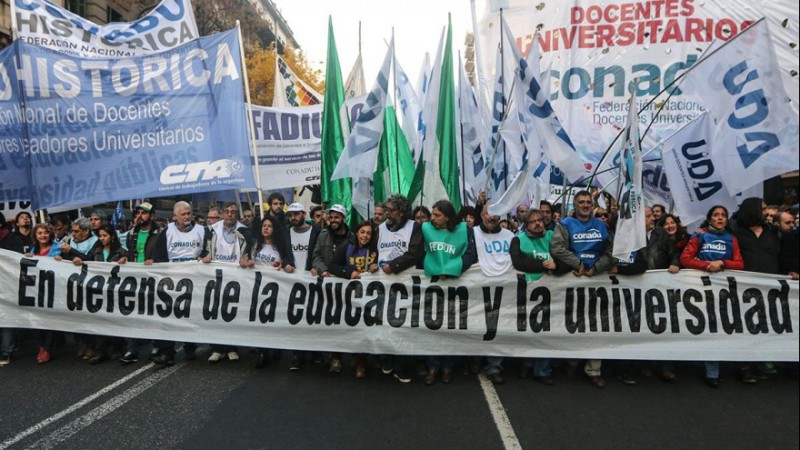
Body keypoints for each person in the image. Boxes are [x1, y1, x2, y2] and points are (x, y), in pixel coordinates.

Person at [551, 190, 614, 388]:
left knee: (597, 326)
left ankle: (594, 370)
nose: (585, 205)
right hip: (574, 279)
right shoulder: (565, 225)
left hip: (597, 280)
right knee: (573, 323)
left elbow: (612, 251)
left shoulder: (602, 226)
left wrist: (596, 268)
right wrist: (578, 264)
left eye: (588, 202)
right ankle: (571, 360)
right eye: (581, 202)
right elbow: (557, 248)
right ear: (575, 205)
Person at [680, 205, 744, 388]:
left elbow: (740, 263)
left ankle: (716, 369)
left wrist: (722, 263)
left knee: (719, 327)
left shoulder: (732, 239)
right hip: (700, 289)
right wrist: (707, 266)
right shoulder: (699, 236)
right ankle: (711, 372)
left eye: (723, 215)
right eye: (716, 215)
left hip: (724, 291)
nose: (720, 218)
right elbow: (686, 259)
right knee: (707, 328)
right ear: (710, 219)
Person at [421, 200, 477, 385]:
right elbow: (420, 253)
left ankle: (447, 366)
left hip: (455, 284)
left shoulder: (464, 230)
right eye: (432, 214)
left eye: (437, 215)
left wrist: (453, 268)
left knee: (450, 326)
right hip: (434, 285)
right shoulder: (425, 229)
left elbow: (470, 254)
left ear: (448, 217)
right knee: (433, 325)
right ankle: (432, 366)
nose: (433, 218)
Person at [150, 201, 211, 366]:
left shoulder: (202, 230)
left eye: (188, 213)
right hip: (172, 280)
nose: (187, 217)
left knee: (189, 314)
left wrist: (203, 257)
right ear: (175, 216)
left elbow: (208, 250)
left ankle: (190, 347)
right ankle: (167, 353)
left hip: (195, 280)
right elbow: (159, 256)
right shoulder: (167, 232)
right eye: (183, 214)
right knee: (169, 315)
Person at [377, 194, 425, 383]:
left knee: (404, 326)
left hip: (406, 285)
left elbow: (415, 253)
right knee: (385, 324)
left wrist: (394, 265)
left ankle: (401, 366)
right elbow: (375, 250)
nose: (387, 213)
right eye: (386, 209)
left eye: (391, 210)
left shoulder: (415, 227)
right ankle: (386, 359)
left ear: (403, 212)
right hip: (383, 286)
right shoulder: (380, 228)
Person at [733, 197, 781, 383]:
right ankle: (744, 367)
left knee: (765, 327)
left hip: (770, 289)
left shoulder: (772, 232)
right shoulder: (737, 231)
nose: (766, 212)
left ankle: (760, 362)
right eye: (762, 209)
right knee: (745, 327)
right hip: (744, 289)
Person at [241, 215, 295, 368]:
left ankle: (275, 345)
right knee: (259, 320)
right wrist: (246, 262)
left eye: (269, 226)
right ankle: (261, 350)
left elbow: (288, 262)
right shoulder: (254, 244)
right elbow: (242, 260)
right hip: (255, 288)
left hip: (274, 290)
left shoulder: (281, 246)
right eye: (264, 225)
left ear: (274, 229)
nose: (265, 228)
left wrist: (286, 266)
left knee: (272, 319)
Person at [510, 209, 557, 384]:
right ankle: (526, 364)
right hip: (528, 292)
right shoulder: (518, 240)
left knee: (547, 332)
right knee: (529, 331)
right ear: (526, 225)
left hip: (553, 292)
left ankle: (542, 370)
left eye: (540, 220)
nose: (538, 223)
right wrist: (544, 265)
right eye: (533, 221)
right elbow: (519, 262)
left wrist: (556, 264)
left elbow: (562, 255)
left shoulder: (552, 236)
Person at [329, 220, 378, 378]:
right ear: (357, 233)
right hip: (347, 295)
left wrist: (375, 266)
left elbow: (381, 265)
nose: (365, 236)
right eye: (362, 232)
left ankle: (360, 361)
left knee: (362, 328)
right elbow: (333, 266)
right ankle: (337, 358)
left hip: (366, 296)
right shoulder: (346, 246)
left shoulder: (375, 249)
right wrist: (348, 273)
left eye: (368, 233)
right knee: (343, 326)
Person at [72, 223, 127, 364]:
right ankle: (100, 350)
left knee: (116, 320)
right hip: (98, 290)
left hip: (115, 291)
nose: (102, 238)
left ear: (112, 236)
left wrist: (125, 262)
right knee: (100, 319)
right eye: (100, 236)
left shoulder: (121, 251)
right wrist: (79, 260)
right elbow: (87, 261)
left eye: (104, 236)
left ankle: (117, 348)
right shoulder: (96, 250)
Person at [202, 202, 250, 363]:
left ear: (237, 215)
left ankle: (231, 347)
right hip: (215, 277)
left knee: (231, 312)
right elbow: (205, 250)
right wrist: (206, 256)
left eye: (233, 212)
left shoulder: (244, 231)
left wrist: (246, 258)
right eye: (227, 211)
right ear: (222, 214)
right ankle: (216, 348)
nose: (230, 214)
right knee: (215, 312)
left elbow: (249, 250)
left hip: (236, 278)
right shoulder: (212, 230)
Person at [474, 205, 516, 385]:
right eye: (487, 214)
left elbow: (517, 259)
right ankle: (474, 359)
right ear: (481, 215)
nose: (491, 217)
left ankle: (494, 366)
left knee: (497, 328)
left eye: (495, 214)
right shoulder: (472, 233)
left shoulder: (510, 236)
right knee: (476, 326)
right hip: (476, 289)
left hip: (503, 291)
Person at [310, 204, 352, 373]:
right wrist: (322, 269)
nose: (333, 221)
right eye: (331, 217)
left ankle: (337, 357)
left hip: (344, 285)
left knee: (341, 321)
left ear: (343, 218)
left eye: (337, 217)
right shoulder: (323, 234)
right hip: (325, 284)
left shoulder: (352, 236)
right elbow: (316, 256)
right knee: (325, 319)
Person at [119, 202, 161, 365]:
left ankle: (156, 346)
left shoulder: (160, 233)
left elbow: (165, 254)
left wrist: (155, 261)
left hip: (153, 277)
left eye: (144, 213)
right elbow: (127, 251)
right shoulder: (132, 233)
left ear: (152, 216)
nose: (139, 216)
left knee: (153, 312)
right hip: (134, 277)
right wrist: (124, 257)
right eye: (138, 213)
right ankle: (132, 348)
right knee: (132, 312)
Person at [25, 223, 62, 363]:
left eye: (45, 233)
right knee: (35, 320)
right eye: (39, 233)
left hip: (53, 290)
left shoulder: (57, 249)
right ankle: (41, 345)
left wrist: (60, 259)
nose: (43, 236)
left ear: (50, 234)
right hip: (36, 290)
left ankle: (46, 348)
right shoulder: (33, 250)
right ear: (35, 235)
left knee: (50, 320)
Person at [0, 212, 25, 366]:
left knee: (6, 318)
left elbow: (17, 260)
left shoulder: (14, 239)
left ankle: (5, 352)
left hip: (8, 285)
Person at [286, 203, 320, 272]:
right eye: (290, 215)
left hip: (310, 277)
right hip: (291, 277)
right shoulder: (286, 232)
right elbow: (284, 255)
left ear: (304, 214)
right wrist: (286, 264)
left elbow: (319, 255)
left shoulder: (316, 232)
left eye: (296, 214)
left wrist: (316, 267)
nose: (293, 218)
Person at [776, 211, 799, 279]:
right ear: (777, 224)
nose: (792, 225)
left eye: (793, 222)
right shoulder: (772, 239)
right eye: (787, 223)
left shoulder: (795, 238)